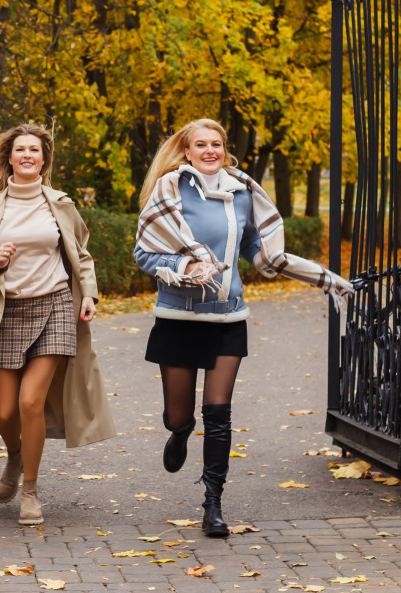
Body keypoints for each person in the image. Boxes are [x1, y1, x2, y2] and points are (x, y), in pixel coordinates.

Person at [134, 120, 353, 537]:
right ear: (187, 150)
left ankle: (213, 504)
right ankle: (179, 433)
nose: (210, 150)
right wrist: (184, 267)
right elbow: (144, 254)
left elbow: (256, 246)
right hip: (179, 316)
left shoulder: (241, 193)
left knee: (218, 412)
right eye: (201, 144)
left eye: (217, 143)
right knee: (180, 413)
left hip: (228, 316)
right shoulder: (169, 192)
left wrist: (301, 269)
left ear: (225, 149)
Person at [0, 123, 116, 526]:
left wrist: (88, 295)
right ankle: (15, 456)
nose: (28, 155)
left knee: (32, 401)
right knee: (7, 408)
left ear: (44, 160)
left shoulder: (60, 204)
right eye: (20, 149)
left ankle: (29, 490)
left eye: (35, 149)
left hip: (55, 307)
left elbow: (81, 255)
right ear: (9, 158)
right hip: (6, 313)